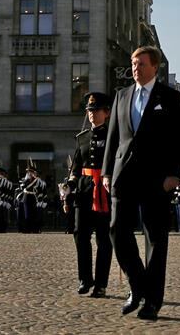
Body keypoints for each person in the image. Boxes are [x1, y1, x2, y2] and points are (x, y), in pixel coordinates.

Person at [102, 46, 180, 321]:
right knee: (117, 230)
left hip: (156, 177)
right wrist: (106, 172)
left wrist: (174, 173)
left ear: (155, 67)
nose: (135, 68)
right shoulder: (122, 95)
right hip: (123, 174)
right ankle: (137, 285)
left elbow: (179, 140)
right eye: (133, 63)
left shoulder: (171, 98)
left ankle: (152, 300)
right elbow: (113, 137)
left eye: (140, 64)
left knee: (155, 238)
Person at [69, 92, 114, 299]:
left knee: (103, 239)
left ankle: (101, 284)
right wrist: (70, 185)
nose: (91, 114)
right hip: (84, 189)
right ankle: (85, 279)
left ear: (107, 112)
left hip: (105, 189)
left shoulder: (114, 136)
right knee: (80, 234)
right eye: (89, 110)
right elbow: (76, 167)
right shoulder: (82, 137)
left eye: (95, 110)